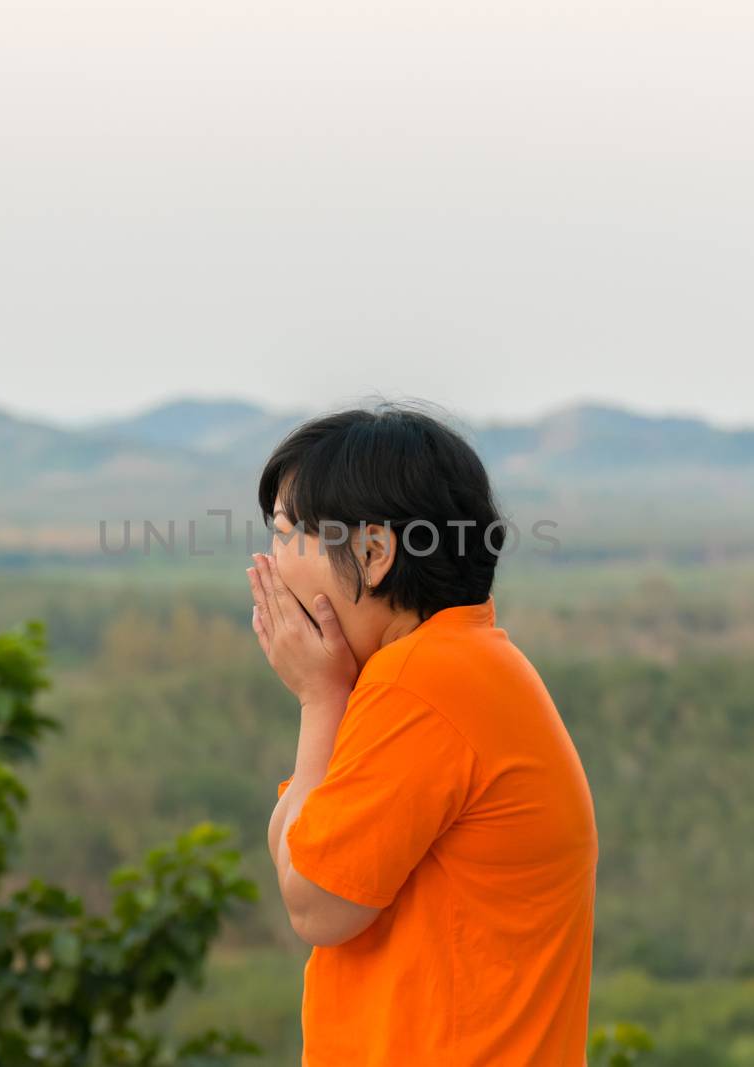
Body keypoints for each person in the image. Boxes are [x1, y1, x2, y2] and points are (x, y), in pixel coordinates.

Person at [247, 401, 598, 1066]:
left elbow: (316, 904)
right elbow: (300, 839)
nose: (268, 564)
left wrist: (321, 698)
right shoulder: (467, 661)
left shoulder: (419, 681)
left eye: (288, 532)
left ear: (374, 552)